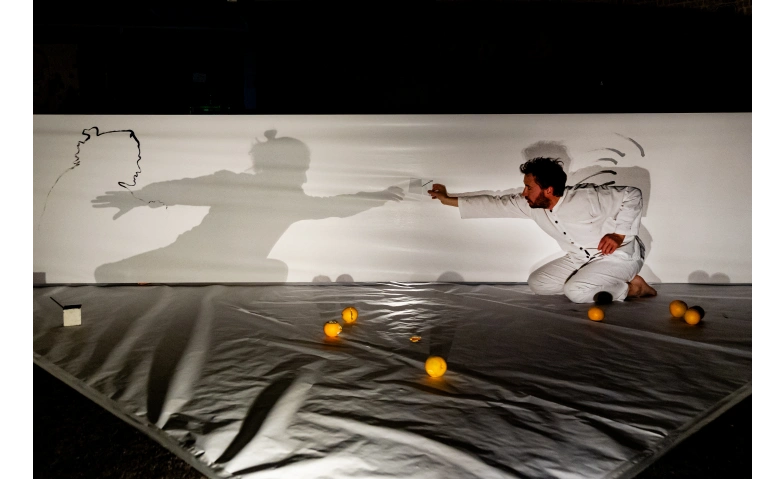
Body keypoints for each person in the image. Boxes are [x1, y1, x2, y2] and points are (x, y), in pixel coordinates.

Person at [427, 156, 657, 303]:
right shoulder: (532, 206)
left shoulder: (586, 197)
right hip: (580, 258)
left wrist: (618, 234)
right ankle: (598, 282)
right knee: (539, 283)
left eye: (529, 187)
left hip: (618, 256)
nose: (524, 193)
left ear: (548, 189)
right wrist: (447, 200)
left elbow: (632, 194)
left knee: (575, 292)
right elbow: (495, 204)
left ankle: (633, 288)